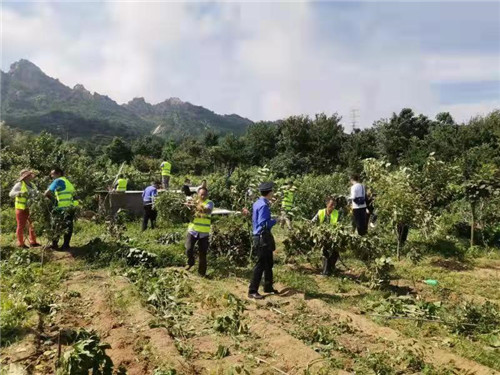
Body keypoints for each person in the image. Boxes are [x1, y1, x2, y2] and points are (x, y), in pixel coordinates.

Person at [248, 182, 279, 299]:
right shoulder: (264, 205)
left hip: (260, 236)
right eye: (272, 191)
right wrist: (276, 220)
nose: (273, 193)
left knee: (269, 262)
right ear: (269, 192)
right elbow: (264, 224)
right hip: (262, 237)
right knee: (260, 264)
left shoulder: (257, 203)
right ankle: (252, 290)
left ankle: (268, 286)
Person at [45, 168, 78, 250]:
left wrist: (53, 200)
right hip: (70, 207)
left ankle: (54, 245)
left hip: (61, 208)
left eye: (53, 174)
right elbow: (75, 195)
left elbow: (47, 193)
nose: (52, 176)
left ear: (59, 173)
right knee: (68, 226)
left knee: (56, 225)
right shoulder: (68, 182)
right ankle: (66, 245)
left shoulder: (58, 181)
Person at [185, 187, 213, 276]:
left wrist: (194, 206)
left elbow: (206, 210)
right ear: (198, 194)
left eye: (205, 194)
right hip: (192, 230)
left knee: (203, 254)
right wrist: (187, 206)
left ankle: (202, 273)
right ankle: (190, 262)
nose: (203, 196)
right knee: (188, 248)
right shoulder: (193, 202)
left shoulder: (209, 203)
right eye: (201, 194)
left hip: (203, 233)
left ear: (207, 195)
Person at [9, 169, 40, 248]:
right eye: (29, 175)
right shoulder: (19, 184)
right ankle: (21, 243)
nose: (31, 176)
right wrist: (20, 193)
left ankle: (33, 242)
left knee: (32, 225)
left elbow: (36, 193)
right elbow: (11, 194)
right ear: (25, 176)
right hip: (21, 208)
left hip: (31, 207)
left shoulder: (32, 185)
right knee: (21, 225)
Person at [312, 196, 340, 275]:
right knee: (326, 252)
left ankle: (331, 268)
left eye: (334, 205)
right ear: (327, 204)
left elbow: (339, 224)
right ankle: (325, 271)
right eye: (331, 204)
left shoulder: (336, 213)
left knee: (335, 253)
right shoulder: (321, 212)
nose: (333, 206)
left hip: (333, 235)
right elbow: (312, 222)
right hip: (323, 236)